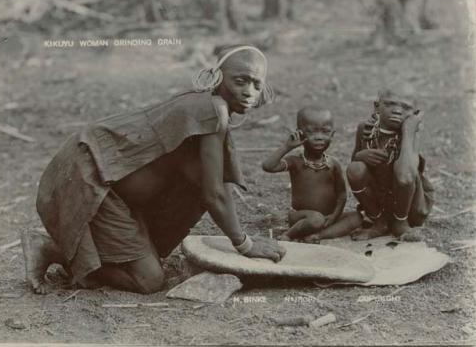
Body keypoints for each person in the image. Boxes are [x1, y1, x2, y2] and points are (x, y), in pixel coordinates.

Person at [22, 45, 286, 295]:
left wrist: (241, 237)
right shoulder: (212, 109)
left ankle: (92, 253)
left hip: (112, 184)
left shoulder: (210, 109)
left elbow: (214, 186)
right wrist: (245, 245)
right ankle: (51, 248)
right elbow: (215, 194)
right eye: (240, 81)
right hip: (94, 176)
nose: (249, 91)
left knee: (154, 256)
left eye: (256, 84)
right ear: (216, 77)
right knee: (149, 280)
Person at [262, 107, 362, 243]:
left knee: (357, 217)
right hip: (301, 217)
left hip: (328, 217)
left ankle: (317, 236)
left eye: (325, 132)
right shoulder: (296, 161)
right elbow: (268, 166)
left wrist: (334, 215)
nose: (319, 137)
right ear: (300, 133)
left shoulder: (333, 164)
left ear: (332, 134)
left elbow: (342, 194)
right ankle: (289, 235)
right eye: (312, 132)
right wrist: (287, 147)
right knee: (316, 219)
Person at [346, 89, 434, 241]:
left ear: (415, 113)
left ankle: (400, 223)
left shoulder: (411, 135)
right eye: (390, 104)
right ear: (376, 106)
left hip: (408, 204)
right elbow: (354, 162)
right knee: (355, 169)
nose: (398, 111)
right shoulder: (365, 129)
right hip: (378, 200)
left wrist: (408, 130)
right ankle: (379, 223)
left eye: (406, 108)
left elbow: (406, 176)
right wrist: (362, 156)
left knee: (404, 175)